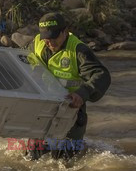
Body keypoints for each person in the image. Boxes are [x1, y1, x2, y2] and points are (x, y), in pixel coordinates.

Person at [27, 13, 111, 160]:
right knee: (33, 155)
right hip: (44, 104)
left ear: (65, 32)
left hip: (72, 106)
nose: (50, 42)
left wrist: (83, 93)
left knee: (67, 159)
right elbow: (20, 65)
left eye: (54, 37)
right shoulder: (36, 44)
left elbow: (101, 75)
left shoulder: (78, 50)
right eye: (46, 38)